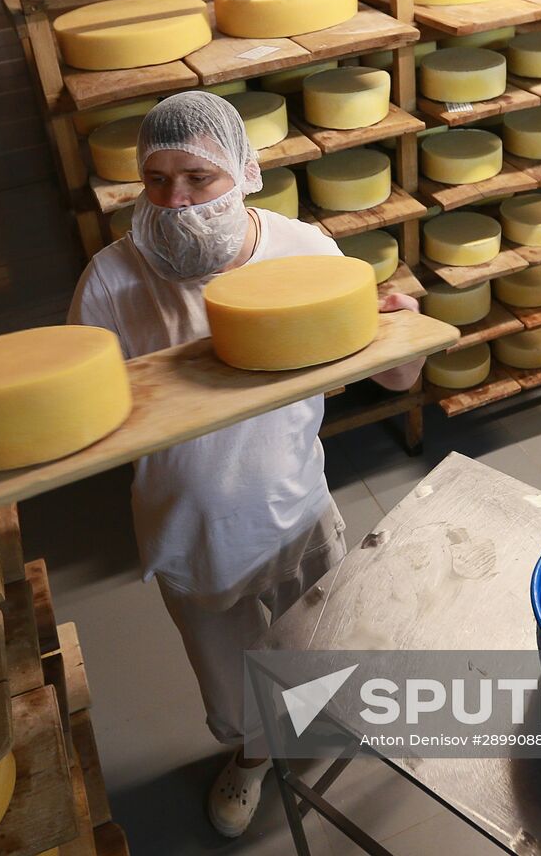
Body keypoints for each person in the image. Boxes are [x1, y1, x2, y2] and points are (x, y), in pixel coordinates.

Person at [69, 90, 422, 837]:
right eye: (157, 180)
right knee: (232, 695)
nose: (175, 199)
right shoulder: (111, 278)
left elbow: (395, 379)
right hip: (189, 532)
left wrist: (398, 334)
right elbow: (79, 409)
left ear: (245, 171)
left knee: (318, 646)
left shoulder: (303, 253)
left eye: (199, 179)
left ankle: (313, 730)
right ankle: (252, 759)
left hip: (294, 506)